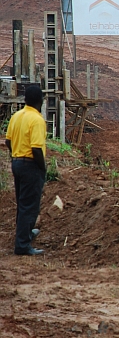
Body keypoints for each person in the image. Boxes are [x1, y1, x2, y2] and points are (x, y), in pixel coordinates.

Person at [5, 85, 47, 256]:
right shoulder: (36, 120)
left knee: (23, 203)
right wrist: (42, 168)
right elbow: (36, 148)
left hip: (17, 163)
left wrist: (17, 155)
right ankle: (22, 245)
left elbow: (8, 141)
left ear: (25, 100)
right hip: (30, 165)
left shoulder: (17, 116)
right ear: (41, 101)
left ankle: (26, 234)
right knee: (30, 206)